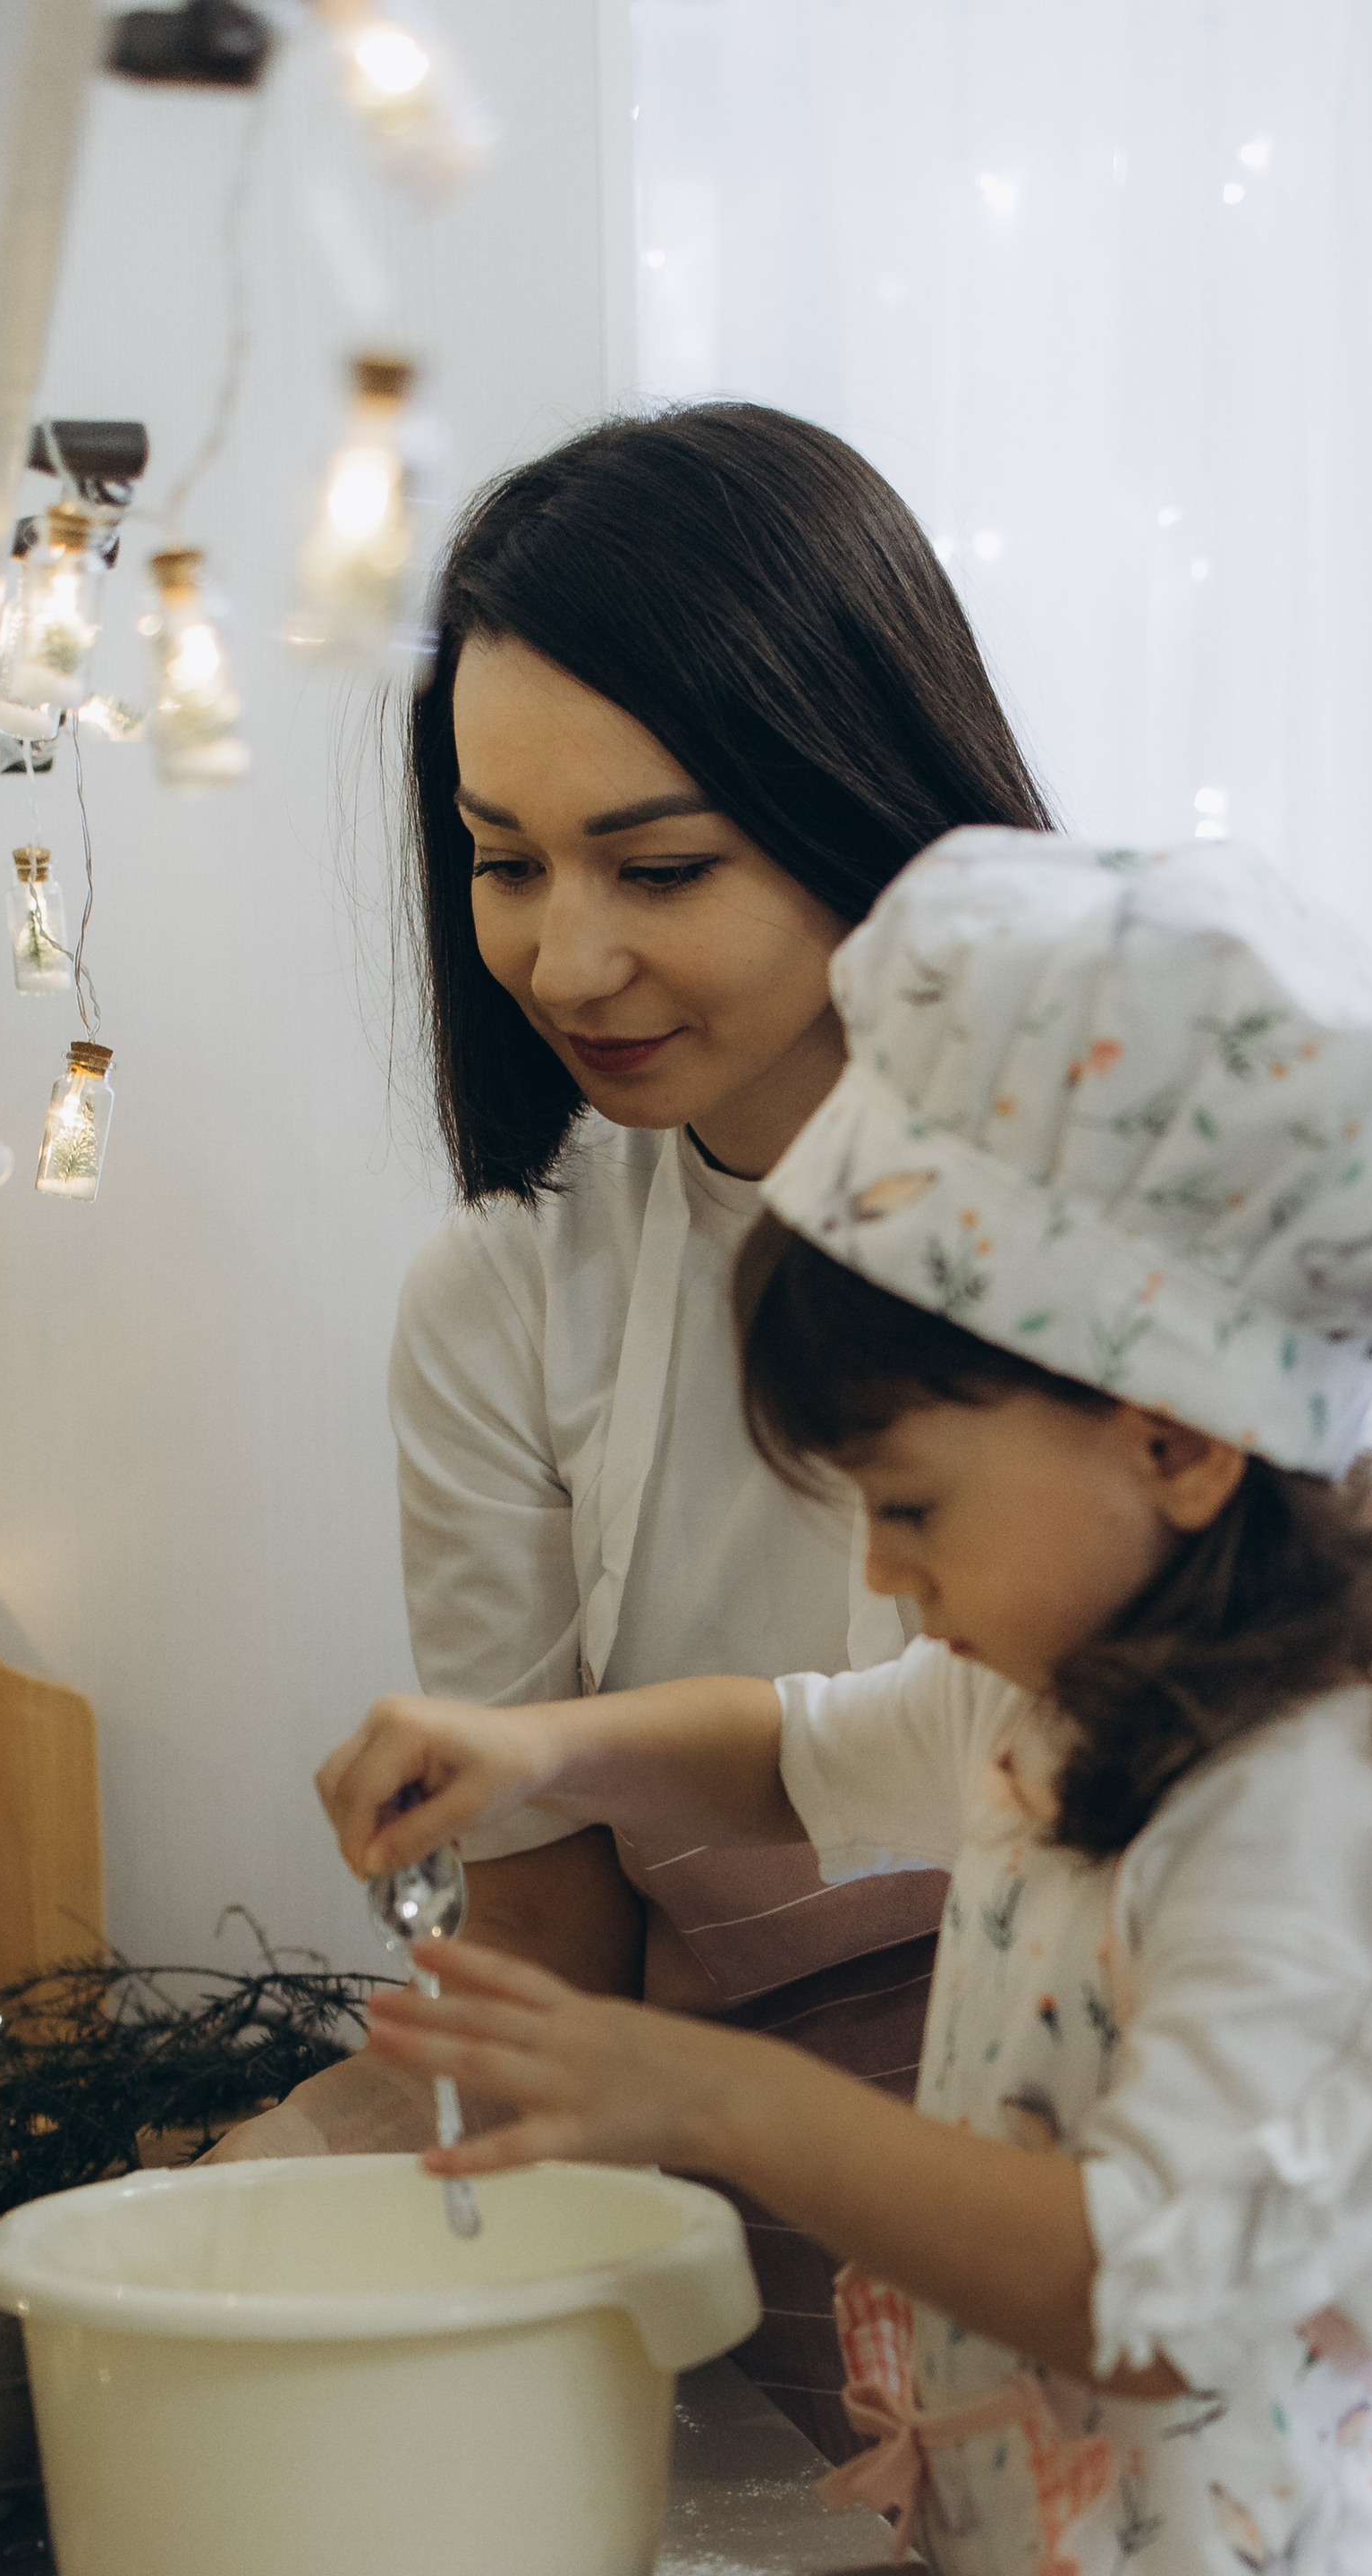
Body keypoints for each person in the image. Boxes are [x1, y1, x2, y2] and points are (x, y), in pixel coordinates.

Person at [314, 833, 1372, 2576]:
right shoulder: (1067, 1673)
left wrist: (703, 2094)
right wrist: (541, 1748)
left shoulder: (1313, 1808)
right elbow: (805, 1742)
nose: (887, 1576)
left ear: (1177, 1438)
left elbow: (1141, 2290)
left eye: (908, 1509)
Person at [216, 404, 1054, 2462]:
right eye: (502, 861)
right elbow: (573, 1956)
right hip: (738, 2257)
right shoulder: (513, 1296)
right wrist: (236, 2195)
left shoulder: (1100, 1238)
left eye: (657, 865)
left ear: (866, 808)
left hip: (1104, 2206)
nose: (561, 958)